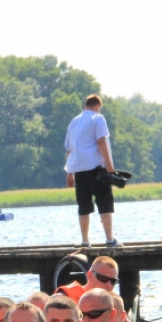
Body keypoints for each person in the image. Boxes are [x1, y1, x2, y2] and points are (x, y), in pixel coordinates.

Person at [55, 256, 155, 322]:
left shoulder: (111, 303)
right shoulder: (65, 296)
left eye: (113, 281)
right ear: (89, 275)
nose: (108, 285)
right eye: (103, 278)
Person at [65, 94, 121, 248]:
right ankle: (110, 239)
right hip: (96, 169)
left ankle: (85, 241)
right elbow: (101, 141)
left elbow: (69, 149)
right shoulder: (98, 118)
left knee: (83, 207)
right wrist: (110, 166)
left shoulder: (74, 122)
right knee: (105, 203)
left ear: (86, 105)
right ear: (97, 106)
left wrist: (69, 172)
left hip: (79, 170)